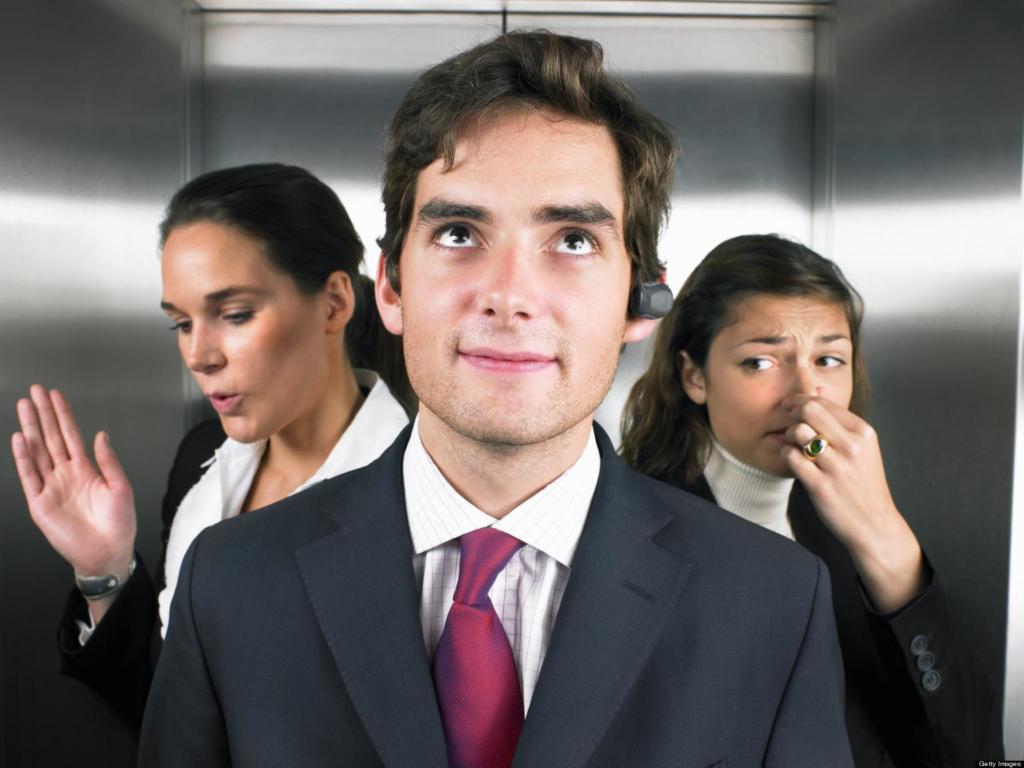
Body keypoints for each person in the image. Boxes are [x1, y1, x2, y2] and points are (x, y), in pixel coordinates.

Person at [139, 33, 854, 767]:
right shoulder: (230, 583)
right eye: (458, 231)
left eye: (573, 240)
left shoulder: (773, 602)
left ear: (642, 302)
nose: (510, 296)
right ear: (388, 287)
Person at [10, 163, 411, 732]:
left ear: (334, 302)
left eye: (235, 314)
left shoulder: (420, 489)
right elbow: (169, 714)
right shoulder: (201, 460)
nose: (199, 355)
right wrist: (105, 573)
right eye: (181, 323)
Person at [620, 233, 1004, 766]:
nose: (804, 393)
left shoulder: (844, 521)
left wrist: (884, 538)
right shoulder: (629, 524)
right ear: (694, 376)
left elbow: (974, 752)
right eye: (760, 362)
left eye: (829, 359)